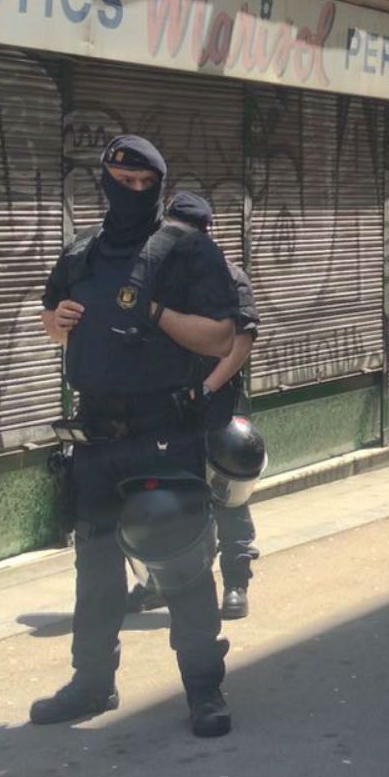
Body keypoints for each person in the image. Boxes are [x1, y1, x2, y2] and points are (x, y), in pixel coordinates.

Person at [35, 138, 246, 736]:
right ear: (103, 181)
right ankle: (92, 683)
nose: (130, 191)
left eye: (142, 184)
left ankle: (204, 689)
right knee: (96, 570)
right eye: (120, 181)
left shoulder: (187, 251)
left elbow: (220, 336)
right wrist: (59, 321)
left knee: (182, 562)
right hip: (96, 433)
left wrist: (154, 313)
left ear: (158, 185)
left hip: (163, 427)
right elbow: (51, 317)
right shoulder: (82, 252)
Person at [127, 192, 263, 620]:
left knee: (226, 490)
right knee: (158, 495)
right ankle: (158, 582)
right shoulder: (150, 275)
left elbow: (241, 340)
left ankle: (236, 581)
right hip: (160, 408)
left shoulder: (226, 275)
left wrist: (205, 388)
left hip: (213, 404)